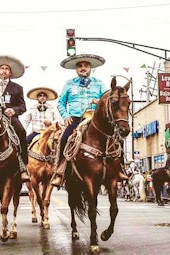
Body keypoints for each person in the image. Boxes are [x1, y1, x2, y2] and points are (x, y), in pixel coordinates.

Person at [51, 54, 129, 187]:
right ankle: (60, 171)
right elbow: (61, 103)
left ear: (90, 68)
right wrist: (65, 116)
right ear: (76, 69)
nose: (83, 68)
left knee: (117, 139)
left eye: (86, 66)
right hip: (76, 119)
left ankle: (120, 169)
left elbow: (108, 101)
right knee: (64, 139)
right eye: (80, 66)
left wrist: (98, 102)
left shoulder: (99, 83)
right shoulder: (69, 84)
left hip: (96, 119)